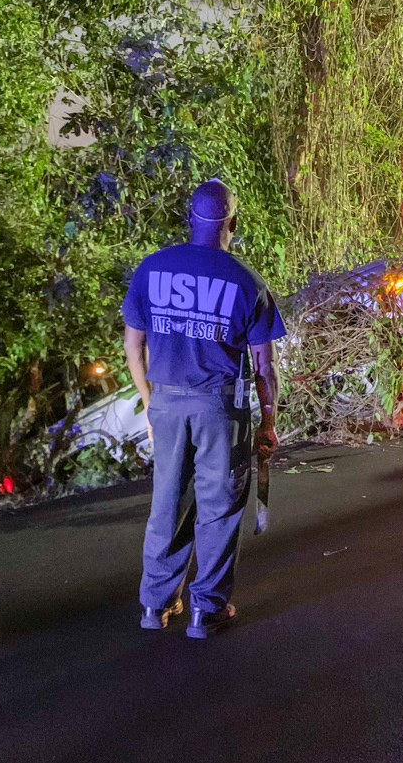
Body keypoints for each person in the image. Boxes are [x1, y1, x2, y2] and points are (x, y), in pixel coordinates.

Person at [123, 179, 284, 639]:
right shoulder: (246, 281)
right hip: (220, 409)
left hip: (167, 404)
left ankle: (155, 605)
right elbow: (264, 366)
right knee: (219, 506)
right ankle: (205, 610)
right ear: (234, 222)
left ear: (188, 219)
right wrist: (268, 421)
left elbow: (134, 348)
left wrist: (151, 405)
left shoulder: (152, 269)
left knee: (167, 503)